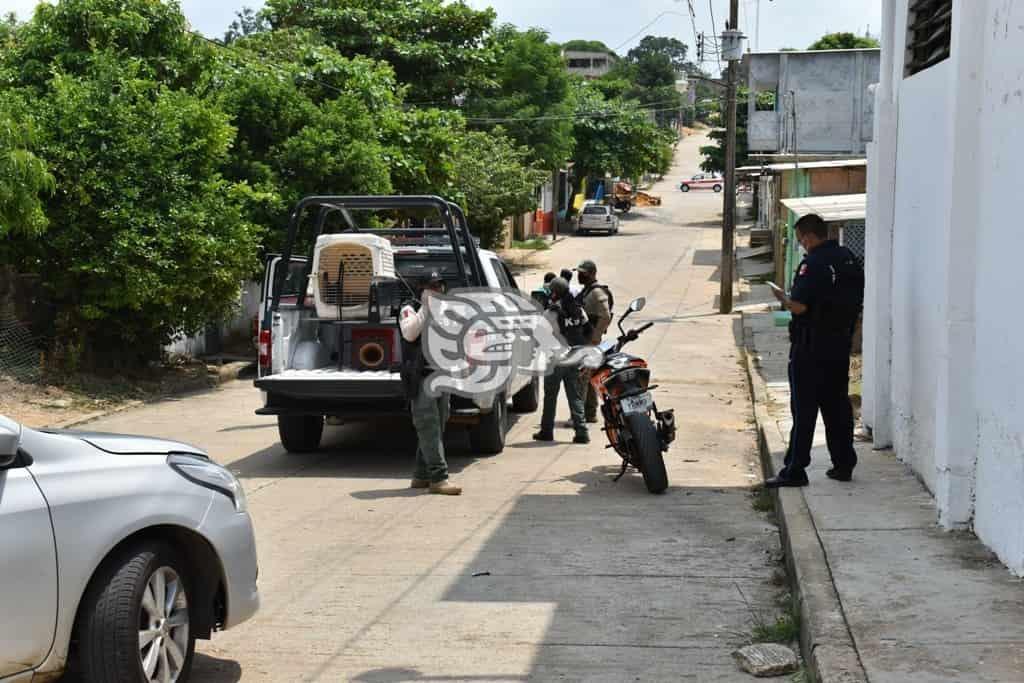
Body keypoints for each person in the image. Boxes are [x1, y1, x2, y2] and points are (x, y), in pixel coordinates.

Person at [766, 214, 865, 488]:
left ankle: (795, 470)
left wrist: (783, 299)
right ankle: (844, 463)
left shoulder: (813, 264)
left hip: (810, 348)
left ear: (809, 237)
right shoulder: (848, 258)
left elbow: (800, 306)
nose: (802, 245)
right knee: (837, 408)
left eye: (801, 241)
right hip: (839, 346)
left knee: (804, 410)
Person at [399, 271, 461, 495]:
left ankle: (421, 475)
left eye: (440, 286)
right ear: (423, 290)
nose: (439, 291)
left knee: (437, 427)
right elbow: (410, 333)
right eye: (433, 287)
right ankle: (438, 478)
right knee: (428, 426)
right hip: (421, 378)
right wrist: (426, 307)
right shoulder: (410, 309)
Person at [533, 277, 591, 445]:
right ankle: (582, 432)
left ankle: (546, 431)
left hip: (556, 359)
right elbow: (588, 331)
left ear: (555, 293)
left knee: (550, 396)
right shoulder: (579, 310)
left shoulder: (551, 312)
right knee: (575, 396)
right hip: (574, 357)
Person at [575, 259, 613, 423]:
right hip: (584, 340)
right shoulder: (586, 291)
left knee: (581, 378)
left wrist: (595, 338)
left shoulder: (597, 293)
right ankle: (590, 414)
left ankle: (581, 416)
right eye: (579, 273)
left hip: (590, 342)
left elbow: (605, 316)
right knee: (589, 378)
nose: (579, 276)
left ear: (592, 274)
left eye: (583, 273)